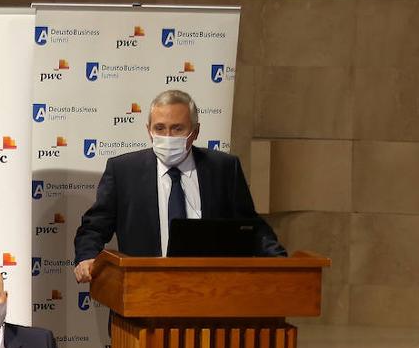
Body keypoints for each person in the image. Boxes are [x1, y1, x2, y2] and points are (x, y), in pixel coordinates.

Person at [72, 88, 285, 283]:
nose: (167, 136)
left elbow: (251, 226)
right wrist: (87, 257)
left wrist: (280, 262)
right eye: (159, 128)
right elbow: (94, 227)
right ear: (148, 130)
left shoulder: (223, 168)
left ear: (195, 131)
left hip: (211, 290)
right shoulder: (123, 170)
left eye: (177, 128)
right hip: (142, 290)